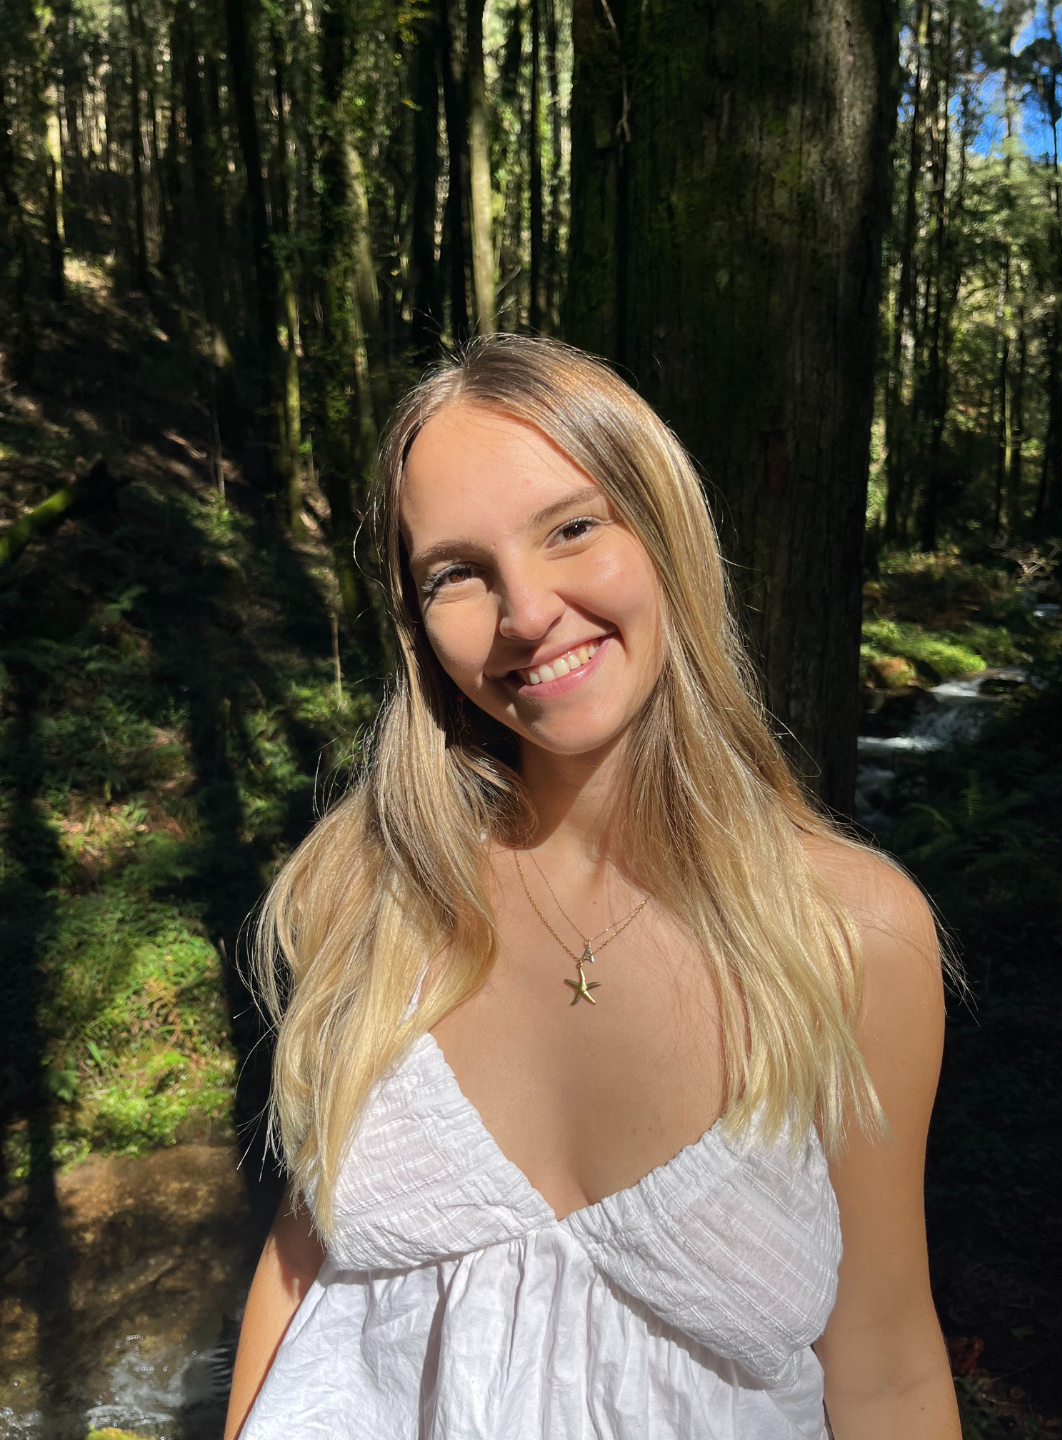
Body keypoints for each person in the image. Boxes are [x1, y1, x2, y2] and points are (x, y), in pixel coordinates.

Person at [225, 336, 961, 1439]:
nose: (525, 612)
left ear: (664, 534)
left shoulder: (852, 935)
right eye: (456, 573)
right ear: (416, 621)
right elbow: (301, 1261)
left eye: (571, 527)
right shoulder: (369, 888)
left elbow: (886, 1367)